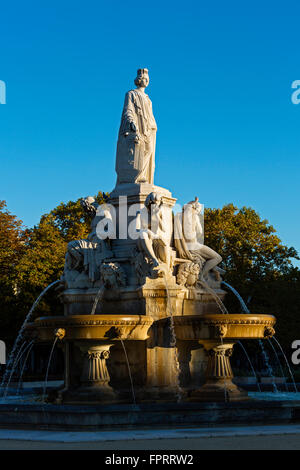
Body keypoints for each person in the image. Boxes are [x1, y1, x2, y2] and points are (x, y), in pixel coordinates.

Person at [115, 68, 157, 185]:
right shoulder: (131, 94)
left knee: (148, 150)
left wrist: (153, 125)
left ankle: (143, 175)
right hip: (138, 127)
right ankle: (137, 177)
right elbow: (128, 109)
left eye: (147, 79)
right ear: (138, 80)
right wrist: (131, 122)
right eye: (144, 78)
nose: (146, 81)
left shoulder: (148, 99)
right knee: (140, 151)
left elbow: (150, 114)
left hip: (149, 128)